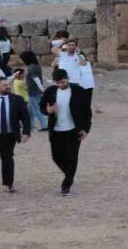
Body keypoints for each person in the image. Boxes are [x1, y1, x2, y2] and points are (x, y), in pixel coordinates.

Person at [40, 68, 92, 196]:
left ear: (67, 78)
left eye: (63, 82)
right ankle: (70, 175)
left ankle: (66, 185)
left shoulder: (79, 91)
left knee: (71, 157)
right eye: (58, 83)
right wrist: (48, 111)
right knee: (56, 156)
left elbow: (87, 112)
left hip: (74, 130)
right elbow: (41, 106)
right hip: (56, 130)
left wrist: (86, 129)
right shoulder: (50, 91)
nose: (61, 85)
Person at [21, 51, 48, 132]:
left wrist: (41, 88)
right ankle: (29, 125)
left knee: (37, 109)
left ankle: (45, 126)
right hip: (35, 91)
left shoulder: (30, 67)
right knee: (29, 110)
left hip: (34, 92)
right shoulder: (37, 66)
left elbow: (36, 78)